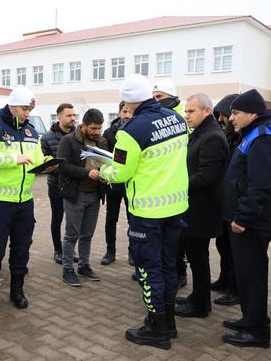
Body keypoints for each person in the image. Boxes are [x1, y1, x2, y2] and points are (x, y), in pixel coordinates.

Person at [100, 74, 189, 350]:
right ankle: (169, 322)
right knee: (168, 265)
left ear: (128, 100)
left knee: (148, 270)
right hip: (176, 207)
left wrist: (103, 169)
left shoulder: (131, 130)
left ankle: (157, 328)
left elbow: (121, 171)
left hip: (147, 212)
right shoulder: (177, 119)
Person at [222, 89, 271, 348]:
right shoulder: (255, 133)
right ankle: (250, 319)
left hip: (253, 223)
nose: (231, 118)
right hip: (252, 219)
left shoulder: (263, 138)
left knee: (252, 275)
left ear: (253, 114)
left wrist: (242, 218)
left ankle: (256, 332)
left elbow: (262, 185)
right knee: (247, 275)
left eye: (236, 113)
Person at [0, 85, 46, 313]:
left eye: (30, 109)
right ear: (12, 105)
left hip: (24, 202)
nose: (28, 113)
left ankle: (17, 289)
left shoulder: (31, 131)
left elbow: (35, 160)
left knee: (22, 248)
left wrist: (48, 164)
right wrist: (13, 158)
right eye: (24, 109)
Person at [174, 94, 228, 318]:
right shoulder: (202, 132)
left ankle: (200, 303)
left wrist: (177, 186)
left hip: (202, 210)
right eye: (186, 111)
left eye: (191, 111)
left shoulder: (213, 136)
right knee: (196, 256)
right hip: (195, 208)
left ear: (206, 111)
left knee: (198, 258)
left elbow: (207, 176)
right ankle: (197, 297)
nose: (186, 115)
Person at [57, 108, 108, 287]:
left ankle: (84, 266)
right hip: (75, 194)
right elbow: (62, 166)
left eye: (99, 129)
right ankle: (68, 270)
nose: (96, 132)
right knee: (72, 235)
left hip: (95, 195)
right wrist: (87, 173)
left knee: (87, 234)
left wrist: (106, 174)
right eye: (93, 128)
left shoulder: (101, 142)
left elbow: (108, 163)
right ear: (84, 125)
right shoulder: (68, 140)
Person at [153, 79, 187, 288]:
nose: (156, 101)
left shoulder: (181, 116)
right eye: (154, 97)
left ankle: (179, 274)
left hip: (179, 185)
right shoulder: (164, 115)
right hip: (165, 187)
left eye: (159, 97)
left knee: (178, 240)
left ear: (171, 97)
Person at [211, 94, 241, 306]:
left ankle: (235, 288)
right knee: (223, 243)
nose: (222, 120)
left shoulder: (241, 138)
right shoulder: (229, 137)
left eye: (224, 115)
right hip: (224, 202)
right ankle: (224, 278)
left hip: (236, 206)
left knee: (234, 249)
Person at [40, 103, 76, 265]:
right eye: (69, 116)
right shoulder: (47, 138)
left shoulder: (78, 135)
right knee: (57, 218)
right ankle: (58, 250)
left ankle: (69, 249)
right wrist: (51, 167)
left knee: (72, 219)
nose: (72, 118)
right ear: (59, 117)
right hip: (55, 184)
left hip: (73, 184)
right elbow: (42, 162)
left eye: (74, 115)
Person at [100, 101, 133, 266]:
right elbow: (105, 156)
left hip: (130, 183)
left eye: (129, 111)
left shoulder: (136, 130)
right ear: (119, 112)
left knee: (132, 219)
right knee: (111, 219)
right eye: (124, 111)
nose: (126, 115)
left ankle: (132, 253)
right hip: (113, 183)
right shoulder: (109, 133)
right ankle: (110, 251)